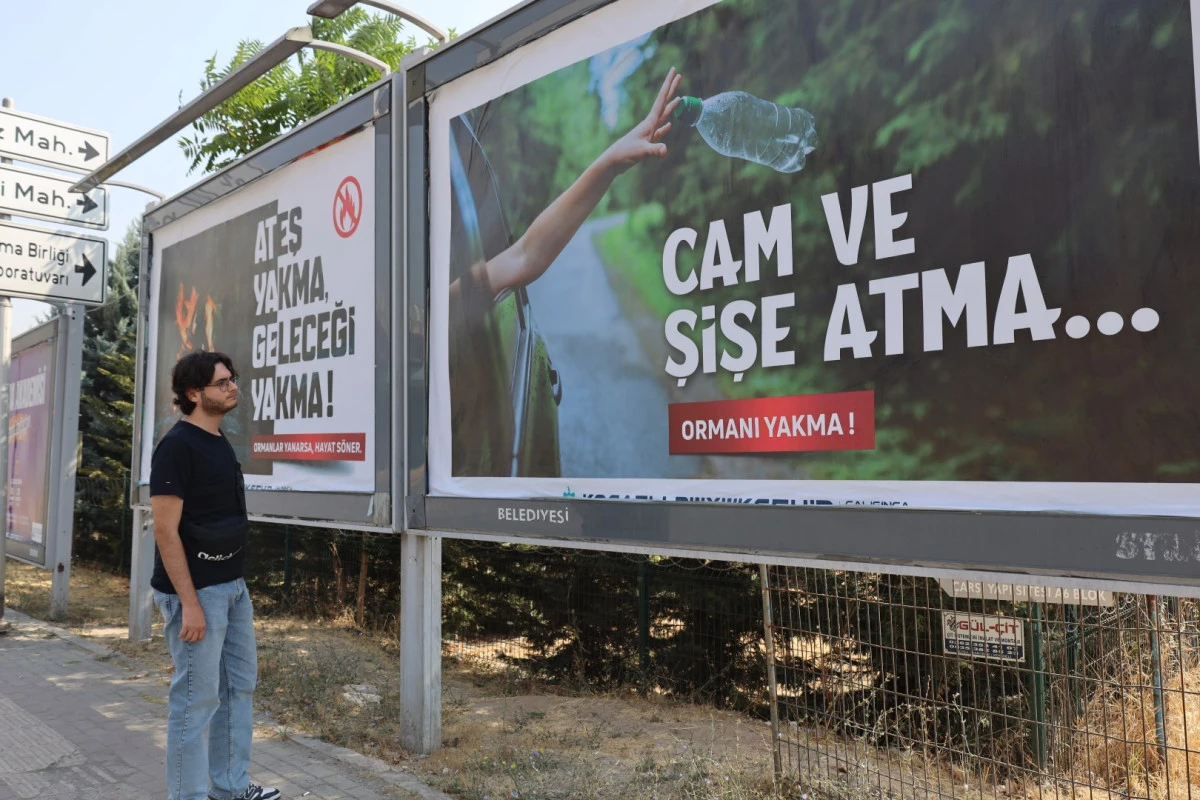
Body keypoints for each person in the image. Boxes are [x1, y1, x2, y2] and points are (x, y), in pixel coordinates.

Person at [150, 351, 280, 800]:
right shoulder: (177, 447)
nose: (232, 387)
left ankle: (230, 787)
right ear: (193, 393)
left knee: (238, 689)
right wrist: (189, 603)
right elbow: (165, 532)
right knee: (195, 703)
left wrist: (236, 588)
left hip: (232, 588)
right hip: (196, 594)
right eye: (222, 382)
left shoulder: (218, 439)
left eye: (232, 380)